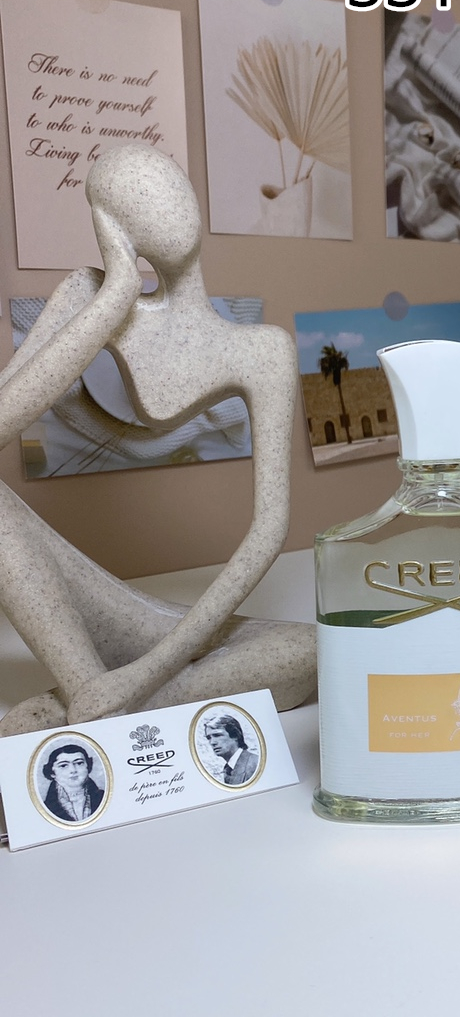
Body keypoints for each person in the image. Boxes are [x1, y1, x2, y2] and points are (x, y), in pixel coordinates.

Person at [0, 144, 315, 736]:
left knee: (314, 652)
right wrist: (115, 294)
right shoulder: (88, 296)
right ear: (112, 227)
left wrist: (142, 676)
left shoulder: (263, 350)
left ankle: (85, 707)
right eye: (129, 198)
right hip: (94, 605)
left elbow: (269, 531)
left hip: (173, 631)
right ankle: (85, 686)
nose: (160, 203)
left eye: (167, 183)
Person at [41, 743, 104, 823]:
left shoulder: (102, 797)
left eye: (79, 763)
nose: (73, 770)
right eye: (63, 766)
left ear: (88, 766)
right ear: (52, 773)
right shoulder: (46, 807)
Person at [203, 714, 258, 785]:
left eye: (217, 735)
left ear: (235, 735)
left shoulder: (254, 764)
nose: (212, 742)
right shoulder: (228, 769)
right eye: (209, 738)